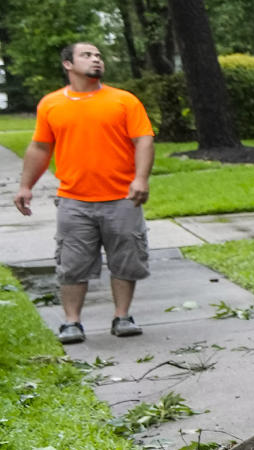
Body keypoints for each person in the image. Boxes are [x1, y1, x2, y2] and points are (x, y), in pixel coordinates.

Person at [13, 41, 157, 344]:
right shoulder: (51, 104)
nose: (96, 60)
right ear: (68, 64)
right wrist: (26, 185)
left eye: (99, 56)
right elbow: (40, 147)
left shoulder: (124, 101)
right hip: (74, 200)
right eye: (87, 55)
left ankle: (123, 316)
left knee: (126, 259)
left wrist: (141, 179)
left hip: (122, 198)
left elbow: (143, 140)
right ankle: (71, 323)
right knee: (72, 263)